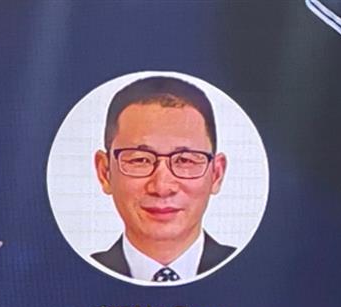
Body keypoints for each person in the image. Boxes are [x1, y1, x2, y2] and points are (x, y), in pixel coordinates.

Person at [90, 76, 234, 283]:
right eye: (140, 160)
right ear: (104, 172)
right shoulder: (65, 277)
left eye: (185, 160)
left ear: (216, 174)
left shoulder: (260, 275)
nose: (162, 187)